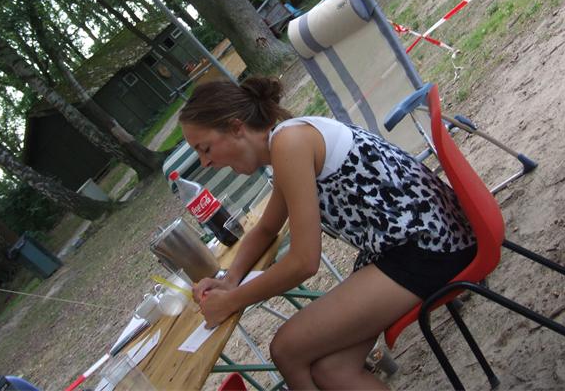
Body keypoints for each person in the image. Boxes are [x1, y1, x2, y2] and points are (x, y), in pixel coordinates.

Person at [181, 77, 476, 390]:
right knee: (331, 370)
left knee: (286, 349)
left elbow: (304, 262)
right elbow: (267, 228)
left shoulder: (290, 144)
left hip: (430, 245)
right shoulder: (286, 140)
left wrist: (231, 301)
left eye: (205, 148)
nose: (205, 162)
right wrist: (229, 279)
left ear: (236, 127)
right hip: (417, 239)